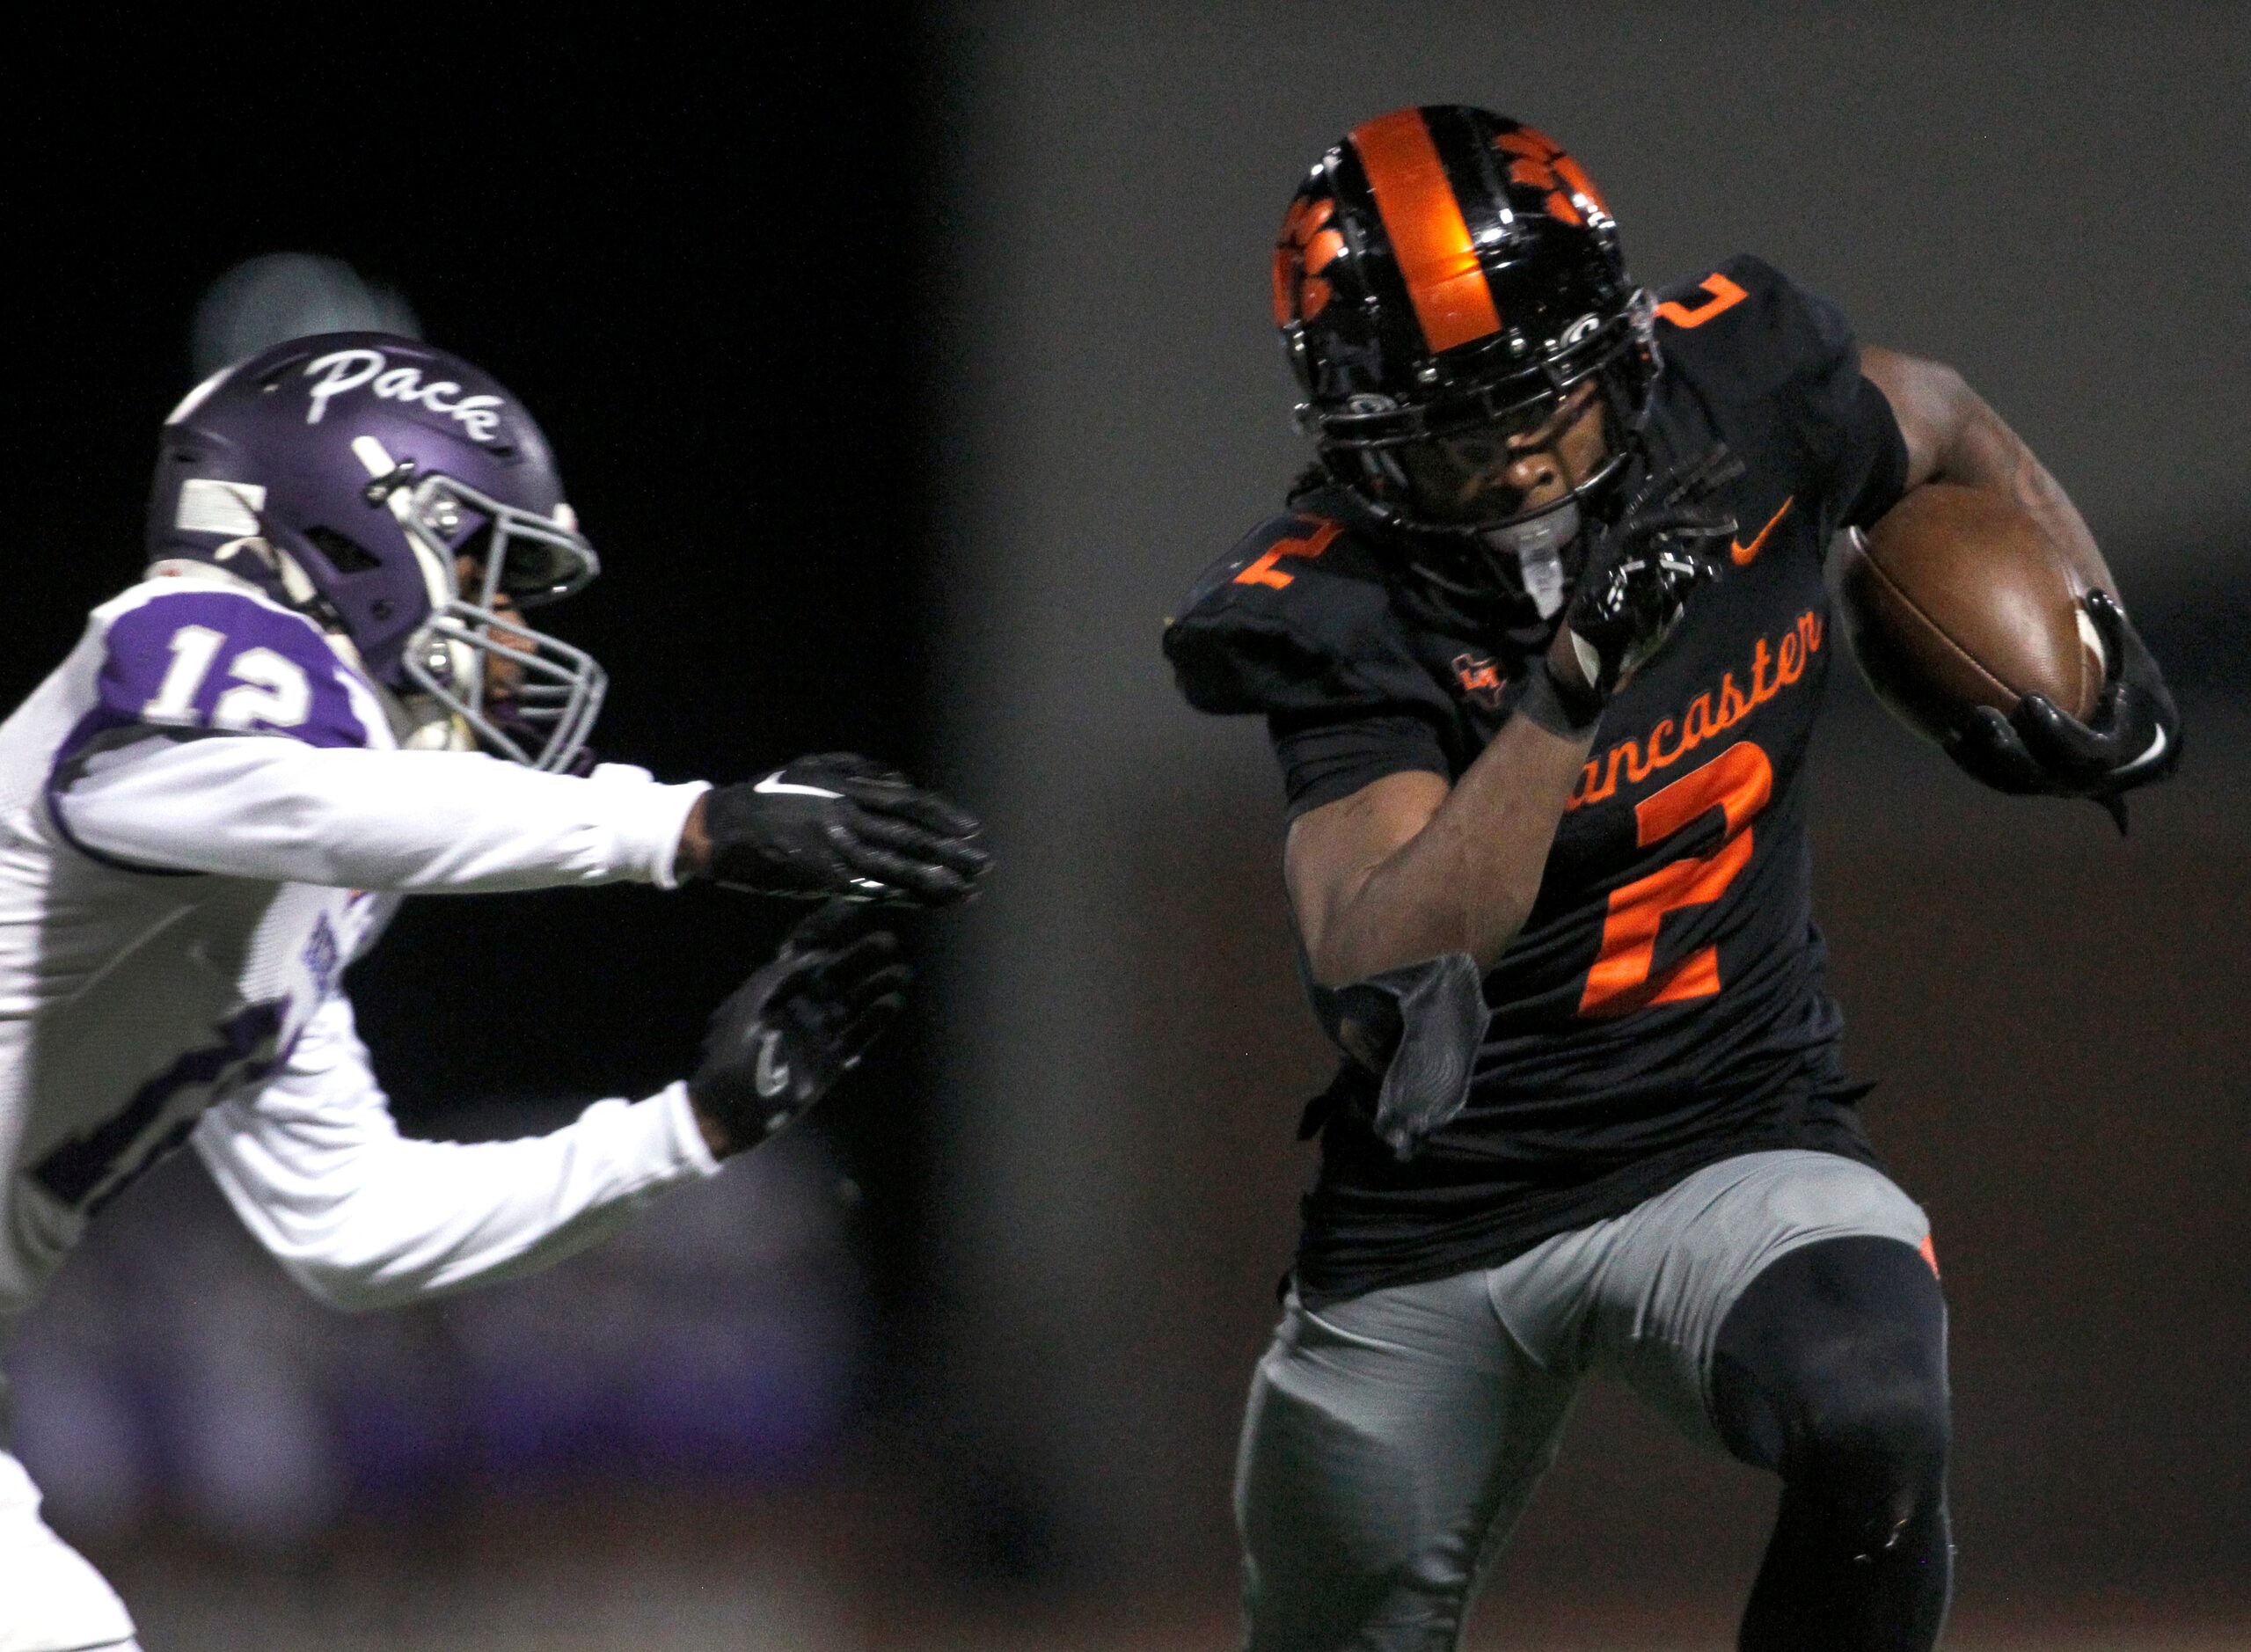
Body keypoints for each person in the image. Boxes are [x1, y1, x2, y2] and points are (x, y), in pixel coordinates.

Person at [1164, 104, 2177, 1651]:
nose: (1515, 450)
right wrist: (1569, 689)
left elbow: (1948, 416)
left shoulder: (1747, 389)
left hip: (1729, 1129)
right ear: (1359, 434)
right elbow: (1378, 956)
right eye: (1458, 421)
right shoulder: (1333, 602)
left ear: (1620, 346)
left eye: (1543, 399)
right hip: (1446, 1214)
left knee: (1876, 1407)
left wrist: (2102, 637)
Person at [0, 328, 989, 1651]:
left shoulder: (278, 878)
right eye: (485, 572)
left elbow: (353, 1227)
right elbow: (300, 793)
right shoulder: (199, 641)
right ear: (354, 528)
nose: (513, 638)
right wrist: (681, 824)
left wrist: (688, 1129)